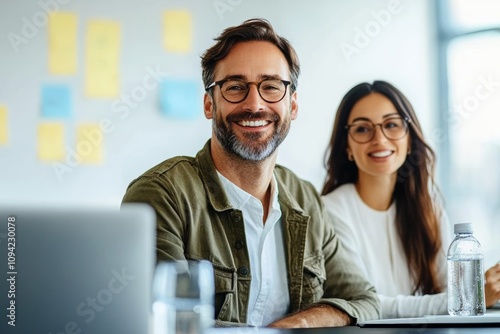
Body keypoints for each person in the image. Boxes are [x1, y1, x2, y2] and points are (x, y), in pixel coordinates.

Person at [122, 19, 380, 328]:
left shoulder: (305, 198)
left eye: (271, 86)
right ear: (209, 104)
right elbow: (165, 322)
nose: (255, 104)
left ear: (293, 104)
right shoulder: (161, 195)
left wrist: (294, 326)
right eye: (235, 88)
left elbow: (363, 301)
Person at [321, 80, 500, 318]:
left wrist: (485, 291)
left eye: (392, 125)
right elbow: (365, 305)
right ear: (347, 147)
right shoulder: (330, 211)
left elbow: (451, 291)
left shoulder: (428, 208)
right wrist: (472, 296)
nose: (380, 139)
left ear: (409, 140)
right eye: (362, 129)